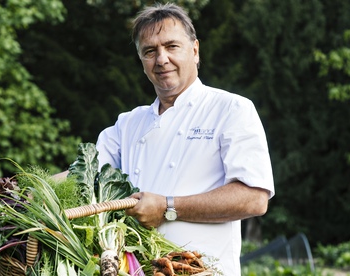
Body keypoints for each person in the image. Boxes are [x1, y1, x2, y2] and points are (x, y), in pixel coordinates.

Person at [94, 3, 275, 275]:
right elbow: (84, 174)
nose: (161, 59)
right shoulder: (129, 123)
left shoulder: (231, 109)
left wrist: (168, 207)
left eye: (171, 46)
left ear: (195, 50)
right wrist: (25, 189)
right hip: (140, 269)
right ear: (142, 62)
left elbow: (254, 198)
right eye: (150, 51)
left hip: (204, 271)